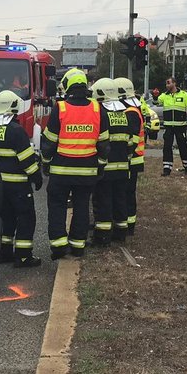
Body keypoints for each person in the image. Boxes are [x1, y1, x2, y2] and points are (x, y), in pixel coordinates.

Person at [40, 69, 110, 259]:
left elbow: (49, 142)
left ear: (68, 85)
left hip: (61, 171)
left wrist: (45, 163)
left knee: (57, 206)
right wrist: (101, 166)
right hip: (87, 171)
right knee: (81, 206)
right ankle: (78, 246)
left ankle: (58, 246)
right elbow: (104, 144)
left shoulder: (60, 108)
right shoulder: (97, 108)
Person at [0, 89, 42, 268]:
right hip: (18, 185)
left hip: (0, 184)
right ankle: (23, 256)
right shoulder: (16, 130)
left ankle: (5, 252)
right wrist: (36, 176)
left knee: (6, 217)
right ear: (13, 106)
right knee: (26, 217)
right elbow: (26, 159)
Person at [90, 78, 138, 246]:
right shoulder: (123, 114)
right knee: (120, 201)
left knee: (103, 202)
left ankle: (102, 238)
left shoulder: (101, 115)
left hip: (106, 168)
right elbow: (131, 143)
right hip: (123, 168)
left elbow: (99, 142)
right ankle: (120, 232)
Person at [114, 77, 146, 237]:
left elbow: (131, 139)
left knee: (127, 193)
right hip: (131, 159)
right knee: (124, 192)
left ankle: (129, 226)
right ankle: (125, 223)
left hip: (132, 159)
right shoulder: (132, 108)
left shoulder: (131, 112)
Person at [156, 76, 187, 176]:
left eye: (169, 83)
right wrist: (155, 96)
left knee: (183, 146)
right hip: (168, 126)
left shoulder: (184, 95)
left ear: (174, 83)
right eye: (166, 83)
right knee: (167, 147)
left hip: (180, 126)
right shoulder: (165, 95)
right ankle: (166, 169)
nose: (167, 85)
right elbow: (156, 102)